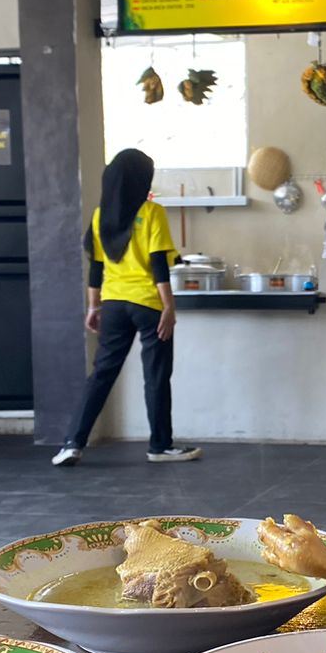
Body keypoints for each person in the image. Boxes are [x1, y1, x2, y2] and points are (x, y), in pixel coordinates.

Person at [51, 148, 201, 466]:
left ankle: (72, 443)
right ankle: (159, 446)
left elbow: (96, 268)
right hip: (147, 304)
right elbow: (159, 267)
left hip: (113, 303)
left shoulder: (99, 215)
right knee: (156, 376)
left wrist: (93, 307)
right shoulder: (151, 213)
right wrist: (169, 309)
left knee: (102, 373)